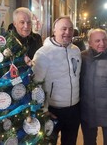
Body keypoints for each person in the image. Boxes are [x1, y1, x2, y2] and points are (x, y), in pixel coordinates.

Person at [32, 16, 81, 145]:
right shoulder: (43, 54)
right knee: (49, 142)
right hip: (53, 110)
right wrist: (43, 109)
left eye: (70, 29)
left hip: (74, 109)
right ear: (54, 31)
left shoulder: (76, 51)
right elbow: (36, 84)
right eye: (63, 29)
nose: (68, 32)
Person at [80, 28, 107, 145]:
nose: (102, 44)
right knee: (89, 142)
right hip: (88, 110)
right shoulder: (82, 57)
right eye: (97, 41)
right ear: (90, 43)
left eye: (104, 40)